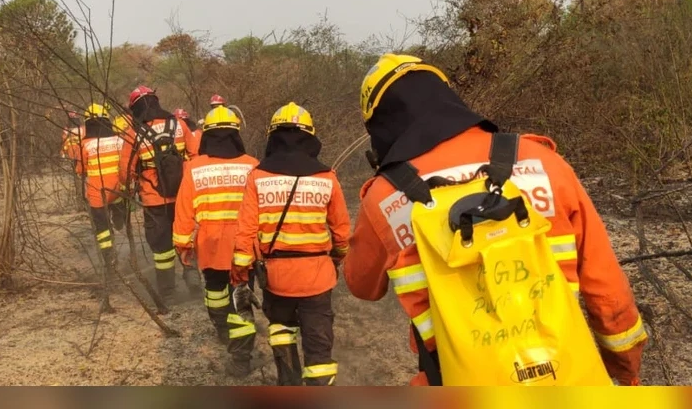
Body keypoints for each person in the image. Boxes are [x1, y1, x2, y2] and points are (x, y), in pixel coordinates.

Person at [343, 53, 648, 386]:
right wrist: (625, 369)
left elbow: (363, 286)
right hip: (569, 376)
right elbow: (606, 288)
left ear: (380, 124)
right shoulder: (543, 163)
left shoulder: (383, 198)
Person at [231, 102, 350, 386]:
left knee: (281, 331)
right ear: (310, 137)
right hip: (317, 277)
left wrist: (240, 274)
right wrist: (335, 259)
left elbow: (245, 232)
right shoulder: (326, 177)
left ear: (273, 137)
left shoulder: (258, 177)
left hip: (277, 278)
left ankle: (288, 383)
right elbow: (342, 233)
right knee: (318, 345)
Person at [172, 106, 259, 377]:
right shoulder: (253, 165)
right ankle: (242, 356)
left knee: (215, 292)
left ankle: (223, 330)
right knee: (241, 298)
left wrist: (183, 246)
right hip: (244, 247)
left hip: (210, 246)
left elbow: (184, 211)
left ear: (207, 135)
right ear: (236, 134)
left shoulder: (194, 167)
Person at [121, 85, 199, 301]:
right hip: (183, 196)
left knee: (162, 247)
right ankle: (191, 273)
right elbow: (196, 156)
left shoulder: (133, 133)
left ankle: (168, 292)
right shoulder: (179, 124)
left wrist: (130, 187)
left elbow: (124, 171)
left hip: (154, 200)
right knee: (185, 236)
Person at [69, 103, 129, 271]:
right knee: (118, 203)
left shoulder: (85, 144)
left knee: (102, 228)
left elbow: (80, 170)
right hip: (118, 189)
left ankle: (109, 258)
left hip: (97, 194)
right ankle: (119, 216)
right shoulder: (119, 140)